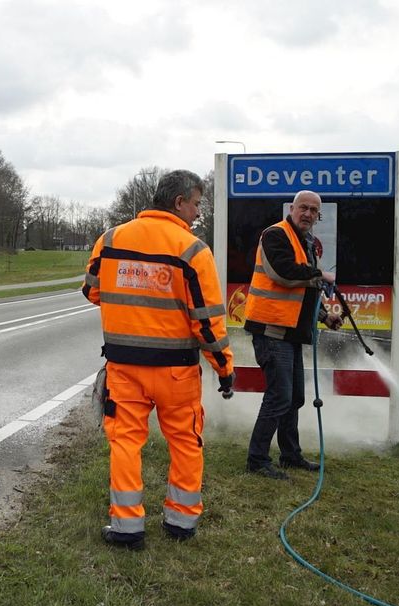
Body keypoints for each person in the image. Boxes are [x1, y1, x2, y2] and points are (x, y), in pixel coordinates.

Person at [83, 169, 235, 550]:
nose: (198, 213)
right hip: (176, 371)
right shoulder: (193, 250)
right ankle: (181, 523)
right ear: (178, 202)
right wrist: (224, 368)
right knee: (185, 442)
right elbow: (208, 321)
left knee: (125, 443)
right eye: (197, 203)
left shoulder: (111, 238)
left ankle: (126, 528)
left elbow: (92, 290)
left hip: (124, 368)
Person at [243, 190, 342, 480]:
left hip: (291, 333)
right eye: (304, 208)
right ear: (292, 208)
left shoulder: (307, 243)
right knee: (279, 396)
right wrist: (320, 276)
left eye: (314, 210)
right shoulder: (275, 235)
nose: (308, 214)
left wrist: (325, 317)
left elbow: (306, 290)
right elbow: (283, 273)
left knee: (294, 397)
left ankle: (290, 454)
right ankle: (257, 459)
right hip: (271, 330)